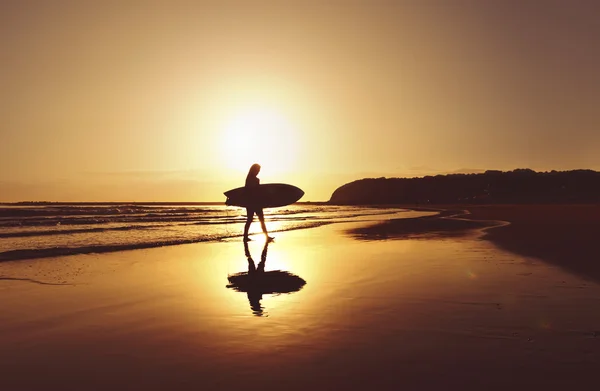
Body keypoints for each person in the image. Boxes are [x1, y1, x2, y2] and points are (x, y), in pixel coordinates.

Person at [243, 163, 273, 242]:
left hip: (254, 202)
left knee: (259, 220)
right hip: (252, 203)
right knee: (252, 220)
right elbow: (249, 192)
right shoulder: (250, 179)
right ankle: (245, 237)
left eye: (259, 170)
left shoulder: (253, 179)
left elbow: (258, 192)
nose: (258, 172)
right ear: (254, 170)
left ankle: (266, 236)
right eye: (257, 170)